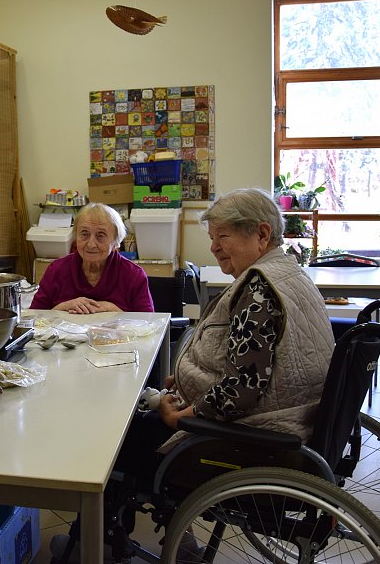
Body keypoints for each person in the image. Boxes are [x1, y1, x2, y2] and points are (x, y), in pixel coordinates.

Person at [51, 188, 334, 561]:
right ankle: (160, 539)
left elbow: (241, 388)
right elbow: (256, 366)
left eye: (223, 237)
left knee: (114, 436)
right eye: (212, 238)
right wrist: (189, 380)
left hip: (256, 439)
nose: (214, 248)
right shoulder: (289, 274)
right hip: (288, 421)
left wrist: (183, 415)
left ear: (262, 234)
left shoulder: (260, 290)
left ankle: (101, 544)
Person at [30, 202, 154, 313]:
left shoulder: (133, 275)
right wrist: (63, 307)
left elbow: (149, 325)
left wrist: (114, 310)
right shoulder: (56, 270)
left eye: (101, 235)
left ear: (116, 242)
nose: (91, 244)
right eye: (84, 234)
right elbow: (34, 318)